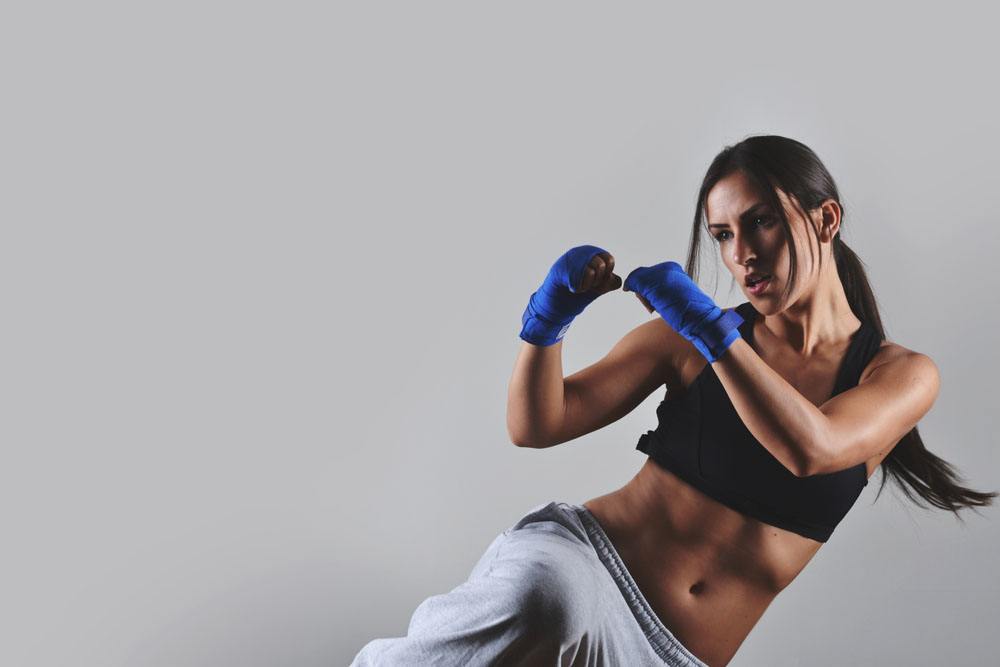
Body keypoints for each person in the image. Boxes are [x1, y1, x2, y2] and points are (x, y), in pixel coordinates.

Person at [350, 135, 996, 666]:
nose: (741, 254)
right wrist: (545, 324)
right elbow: (537, 424)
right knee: (547, 599)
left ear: (826, 219)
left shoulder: (897, 374)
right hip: (589, 570)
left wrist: (712, 332)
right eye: (722, 234)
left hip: (676, 656)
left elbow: (813, 448)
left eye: (761, 221)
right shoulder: (688, 340)